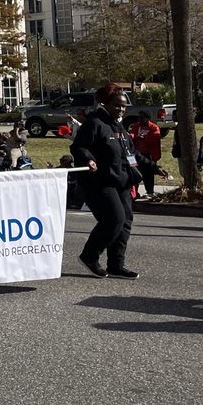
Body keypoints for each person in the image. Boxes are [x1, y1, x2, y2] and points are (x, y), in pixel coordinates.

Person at [70, 84, 141, 280]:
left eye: (124, 106)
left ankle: (116, 264)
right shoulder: (95, 123)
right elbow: (78, 147)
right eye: (117, 105)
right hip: (100, 182)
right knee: (113, 219)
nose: (121, 109)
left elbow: (131, 153)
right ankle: (89, 256)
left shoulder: (118, 126)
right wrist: (88, 159)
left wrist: (153, 167)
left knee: (125, 222)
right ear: (105, 104)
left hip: (122, 181)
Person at [128, 112, 163, 198]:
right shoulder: (136, 126)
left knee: (148, 174)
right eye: (139, 117)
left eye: (142, 117)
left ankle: (150, 191)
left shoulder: (153, 127)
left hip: (148, 154)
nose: (140, 119)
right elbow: (133, 134)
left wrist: (145, 137)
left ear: (148, 118)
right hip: (137, 154)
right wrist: (132, 136)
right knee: (135, 173)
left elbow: (156, 136)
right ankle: (134, 192)